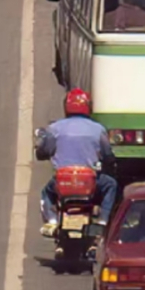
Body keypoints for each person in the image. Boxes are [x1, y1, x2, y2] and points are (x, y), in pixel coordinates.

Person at [36, 89, 117, 237]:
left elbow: (44, 150)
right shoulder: (98, 129)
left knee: (46, 193)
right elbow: (107, 155)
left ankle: (52, 221)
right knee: (111, 185)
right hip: (90, 183)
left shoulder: (54, 128)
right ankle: (102, 222)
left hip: (63, 182)